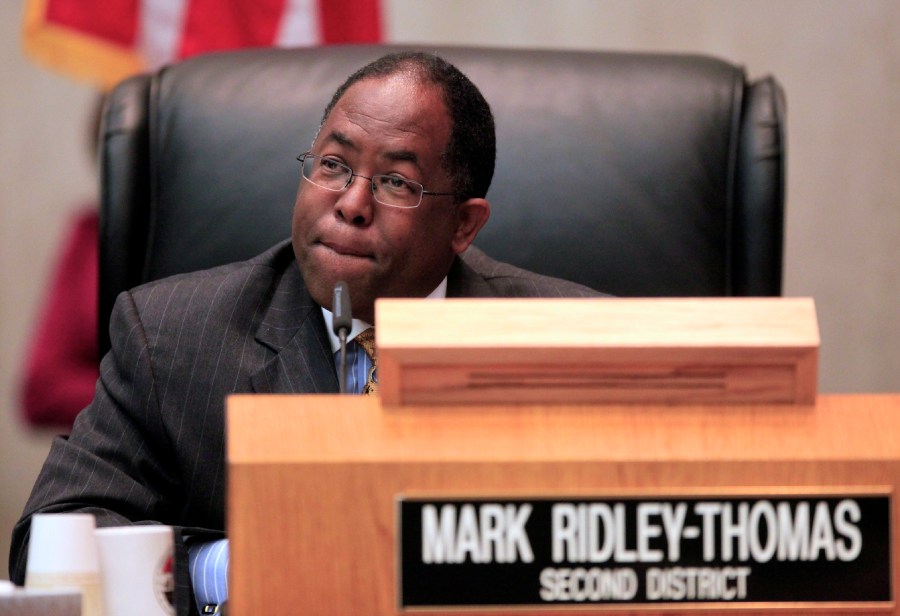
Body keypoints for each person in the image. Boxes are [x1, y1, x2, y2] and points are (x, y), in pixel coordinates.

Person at [9, 51, 600, 615]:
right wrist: (249, 569)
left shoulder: (576, 344)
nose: (351, 204)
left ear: (464, 225)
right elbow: (50, 543)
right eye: (333, 165)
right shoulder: (170, 336)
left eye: (396, 182)